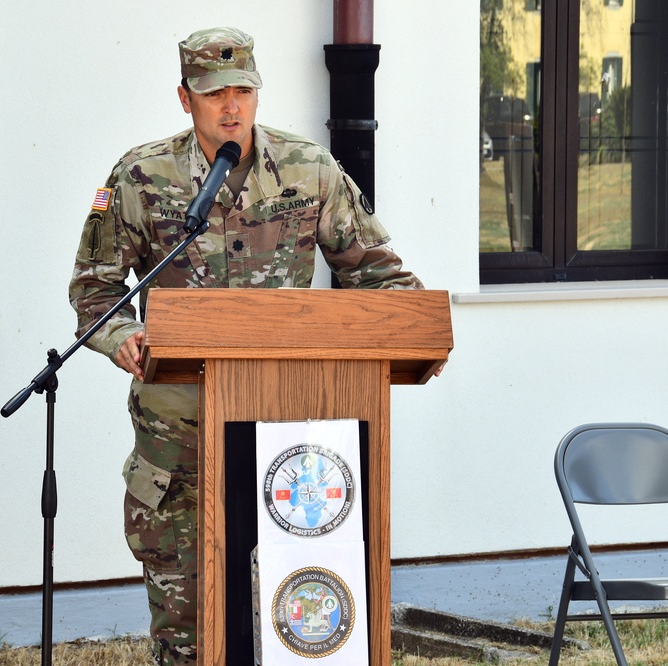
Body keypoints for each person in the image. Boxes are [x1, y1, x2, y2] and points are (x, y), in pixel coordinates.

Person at [69, 26, 423, 665]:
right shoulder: (142, 177)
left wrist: (405, 325)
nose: (231, 106)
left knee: (303, 610)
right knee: (188, 629)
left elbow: (378, 274)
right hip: (178, 432)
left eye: (243, 90)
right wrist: (124, 337)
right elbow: (95, 294)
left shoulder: (309, 170)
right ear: (185, 98)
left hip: (285, 429)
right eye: (213, 94)